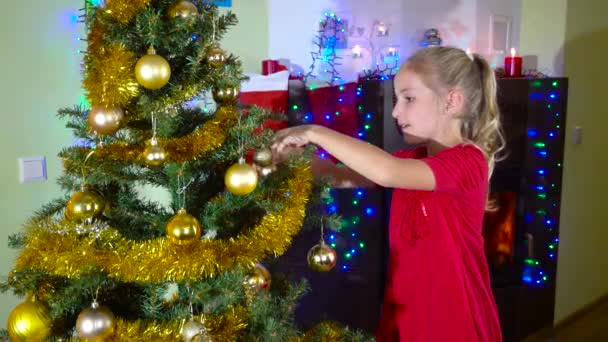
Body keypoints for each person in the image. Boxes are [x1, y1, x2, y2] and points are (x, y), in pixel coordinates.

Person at [271, 46, 504, 341]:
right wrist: (291, 157)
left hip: (452, 315)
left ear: (452, 101)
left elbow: (386, 171)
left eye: (408, 99)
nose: (396, 111)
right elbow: (342, 178)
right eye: (396, 100)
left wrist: (315, 132)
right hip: (406, 309)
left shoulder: (469, 160)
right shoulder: (412, 159)